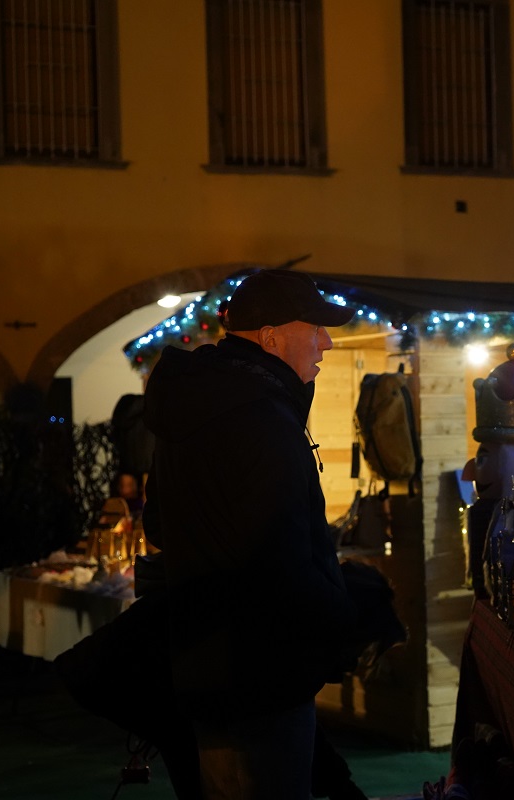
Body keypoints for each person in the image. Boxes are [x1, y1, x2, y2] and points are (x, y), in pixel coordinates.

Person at [142, 268, 358, 799]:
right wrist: (339, 619)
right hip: (262, 665)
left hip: (203, 660)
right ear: (270, 336)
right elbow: (280, 556)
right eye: (316, 328)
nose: (327, 342)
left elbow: (157, 526)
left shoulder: (199, 403)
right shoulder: (261, 418)